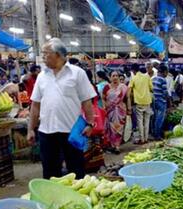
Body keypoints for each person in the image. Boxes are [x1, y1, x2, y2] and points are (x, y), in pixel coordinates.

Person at [27, 38, 97, 179]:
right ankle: (52, 199)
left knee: (76, 170)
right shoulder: (41, 76)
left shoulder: (77, 73)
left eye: (46, 54)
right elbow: (35, 105)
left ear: (58, 54)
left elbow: (87, 101)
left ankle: (77, 198)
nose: (43, 57)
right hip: (47, 131)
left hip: (71, 131)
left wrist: (90, 123)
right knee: (50, 171)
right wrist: (30, 129)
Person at [102, 71, 128, 153]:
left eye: (116, 75)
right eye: (113, 76)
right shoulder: (107, 87)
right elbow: (103, 98)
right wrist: (104, 107)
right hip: (110, 111)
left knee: (119, 129)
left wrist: (129, 108)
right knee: (111, 129)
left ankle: (117, 146)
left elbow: (127, 98)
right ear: (110, 77)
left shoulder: (123, 87)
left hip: (120, 111)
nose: (115, 77)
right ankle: (113, 145)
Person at [128, 63, 153, 144]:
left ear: (133, 71)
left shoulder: (133, 78)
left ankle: (142, 139)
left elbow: (129, 91)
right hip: (147, 101)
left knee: (140, 121)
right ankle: (146, 138)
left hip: (139, 102)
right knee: (147, 121)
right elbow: (151, 89)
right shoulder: (147, 77)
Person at [151, 65, 169, 140]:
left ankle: (154, 133)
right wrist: (169, 100)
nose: (167, 74)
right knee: (160, 118)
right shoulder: (163, 80)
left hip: (154, 100)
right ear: (164, 72)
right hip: (161, 101)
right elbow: (165, 93)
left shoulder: (153, 78)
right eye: (167, 72)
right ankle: (157, 135)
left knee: (154, 118)